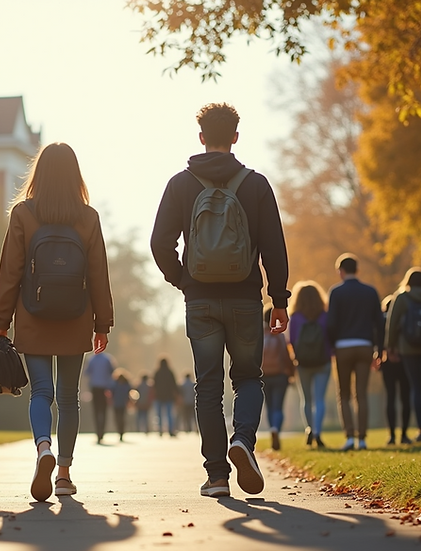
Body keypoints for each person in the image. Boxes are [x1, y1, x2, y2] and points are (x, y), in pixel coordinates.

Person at [150, 102, 290, 498]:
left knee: (208, 386)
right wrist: (278, 299)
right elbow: (273, 247)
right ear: (235, 137)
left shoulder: (180, 183)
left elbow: (160, 243)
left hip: (201, 301)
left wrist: (184, 281)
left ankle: (216, 477)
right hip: (246, 298)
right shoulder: (256, 184)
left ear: (200, 138)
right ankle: (242, 440)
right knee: (248, 378)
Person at [0, 142, 114, 502]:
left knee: (41, 392)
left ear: (38, 173)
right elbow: (98, 274)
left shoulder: (24, 214)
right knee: (70, 398)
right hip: (76, 317)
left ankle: (44, 448)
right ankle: (63, 473)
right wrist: (101, 323)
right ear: (75, 175)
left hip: (33, 315)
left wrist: (1, 320)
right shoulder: (88, 217)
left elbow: (10, 271)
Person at [326, 253, 384, 452]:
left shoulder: (336, 292)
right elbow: (379, 322)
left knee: (344, 393)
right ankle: (363, 439)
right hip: (365, 345)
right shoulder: (370, 292)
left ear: (340, 271)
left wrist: (332, 344)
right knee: (362, 393)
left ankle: (349, 437)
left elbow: (331, 322)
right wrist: (380, 349)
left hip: (343, 346)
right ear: (357, 270)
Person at [385, 267, 421, 442]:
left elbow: (392, 322)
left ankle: (420, 430)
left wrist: (390, 347)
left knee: (415, 388)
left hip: (408, 349)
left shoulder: (402, 298)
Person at [288, 281, 331, 449]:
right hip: (323, 360)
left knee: (306, 399)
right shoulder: (324, 315)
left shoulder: (296, 317)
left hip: (303, 362)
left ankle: (310, 429)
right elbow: (330, 336)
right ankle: (318, 432)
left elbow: (291, 340)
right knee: (319, 399)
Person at [261, 306, 295, 451]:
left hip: (263, 376)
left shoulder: (259, 335)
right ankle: (276, 428)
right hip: (280, 375)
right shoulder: (279, 336)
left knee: (269, 406)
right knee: (278, 407)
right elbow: (286, 355)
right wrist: (291, 372)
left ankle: (272, 429)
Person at [380, 295, 412, 445]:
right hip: (404, 359)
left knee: (390, 397)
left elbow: (378, 339)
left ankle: (392, 435)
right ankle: (404, 434)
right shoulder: (405, 318)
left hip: (387, 361)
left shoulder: (382, 320)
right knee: (405, 397)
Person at [85, 352, 116, 444]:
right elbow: (112, 371)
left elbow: (87, 372)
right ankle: (102, 432)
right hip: (105, 388)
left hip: (95, 387)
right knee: (104, 410)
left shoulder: (91, 359)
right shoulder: (108, 359)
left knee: (96, 410)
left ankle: (98, 432)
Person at [153, 358, 179, 436]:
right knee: (169, 414)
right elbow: (174, 385)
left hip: (159, 396)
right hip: (169, 396)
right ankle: (171, 430)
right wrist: (176, 395)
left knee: (159, 414)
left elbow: (154, 385)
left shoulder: (157, 372)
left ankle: (160, 430)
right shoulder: (170, 372)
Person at [112, 369, 133, 441]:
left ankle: (120, 431)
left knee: (118, 419)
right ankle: (121, 431)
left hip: (117, 404)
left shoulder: (115, 384)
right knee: (121, 419)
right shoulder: (126, 384)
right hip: (122, 404)